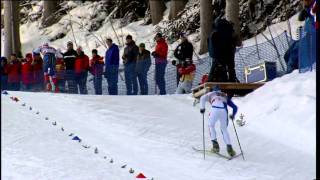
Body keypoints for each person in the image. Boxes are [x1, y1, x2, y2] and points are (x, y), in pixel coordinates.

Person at [199, 85, 238, 157]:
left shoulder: (211, 93)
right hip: (224, 111)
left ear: (213, 90)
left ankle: (215, 147)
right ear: (220, 90)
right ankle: (230, 149)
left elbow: (202, 98)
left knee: (211, 125)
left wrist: (202, 108)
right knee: (224, 129)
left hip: (215, 109)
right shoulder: (224, 95)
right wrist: (233, 115)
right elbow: (235, 107)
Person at [207, 18, 241, 83]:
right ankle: (232, 81)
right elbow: (238, 43)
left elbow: (210, 44)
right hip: (229, 53)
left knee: (216, 68)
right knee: (231, 68)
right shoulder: (230, 31)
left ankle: (210, 82)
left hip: (218, 55)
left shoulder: (215, 32)